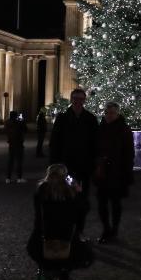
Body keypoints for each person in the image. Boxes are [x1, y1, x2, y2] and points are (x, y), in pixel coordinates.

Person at [26, 164, 94, 280]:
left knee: (40, 250)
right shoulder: (70, 192)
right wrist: (78, 190)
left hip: (45, 230)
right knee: (70, 252)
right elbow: (84, 208)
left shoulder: (41, 191)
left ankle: (46, 271)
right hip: (66, 231)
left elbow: (38, 213)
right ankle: (63, 275)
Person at [50, 88, 98, 240]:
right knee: (67, 199)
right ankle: (67, 230)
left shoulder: (90, 119)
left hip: (84, 168)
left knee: (82, 200)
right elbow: (54, 144)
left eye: (81, 99)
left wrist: (93, 165)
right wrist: (54, 167)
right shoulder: (62, 119)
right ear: (71, 100)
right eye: (75, 99)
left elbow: (95, 145)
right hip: (67, 169)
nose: (78, 102)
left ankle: (79, 230)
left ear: (84, 101)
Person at [94, 102, 134, 243]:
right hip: (102, 171)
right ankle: (106, 229)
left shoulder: (124, 129)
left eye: (112, 113)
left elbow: (129, 154)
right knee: (102, 203)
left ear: (117, 114)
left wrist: (127, 173)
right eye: (107, 112)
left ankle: (114, 230)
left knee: (115, 203)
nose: (109, 115)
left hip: (117, 172)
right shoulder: (100, 128)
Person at [5, 110, 28, 183]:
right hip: (18, 143)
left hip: (11, 143)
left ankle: (8, 178)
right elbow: (25, 129)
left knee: (10, 161)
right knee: (19, 161)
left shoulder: (7, 122)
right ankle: (19, 178)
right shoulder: (18, 123)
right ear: (16, 116)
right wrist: (22, 121)